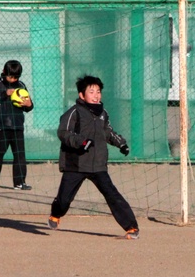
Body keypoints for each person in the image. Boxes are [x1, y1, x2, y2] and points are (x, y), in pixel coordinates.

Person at [48, 75, 139, 240]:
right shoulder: (73, 112)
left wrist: (121, 144)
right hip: (75, 164)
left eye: (98, 91)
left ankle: (131, 227)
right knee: (64, 200)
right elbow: (63, 133)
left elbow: (108, 132)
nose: (96, 95)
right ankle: (55, 214)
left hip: (98, 165)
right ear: (82, 95)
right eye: (92, 91)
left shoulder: (103, 113)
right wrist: (81, 142)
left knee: (112, 194)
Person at [0, 59, 33, 190]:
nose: (13, 80)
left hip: (17, 126)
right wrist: (5, 93)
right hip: (1, 126)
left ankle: (19, 182)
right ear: (4, 72)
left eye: (16, 77)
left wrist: (29, 105)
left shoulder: (21, 85)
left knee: (19, 154)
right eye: (11, 76)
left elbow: (28, 105)